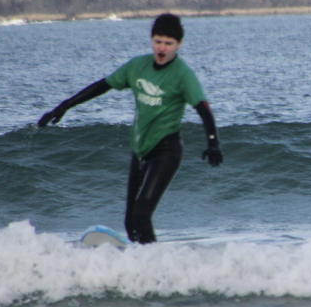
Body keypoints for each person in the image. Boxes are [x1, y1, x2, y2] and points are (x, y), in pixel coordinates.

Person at [36, 13, 223, 244]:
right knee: (130, 221)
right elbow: (103, 85)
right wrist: (63, 106)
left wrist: (213, 142)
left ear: (179, 44)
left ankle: (154, 266)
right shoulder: (137, 66)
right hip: (140, 150)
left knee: (142, 214)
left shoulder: (183, 75)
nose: (162, 48)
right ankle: (138, 264)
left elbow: (203, 107)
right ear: (151, 39)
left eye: (168, 43)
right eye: (158, 41)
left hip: (167, 150)